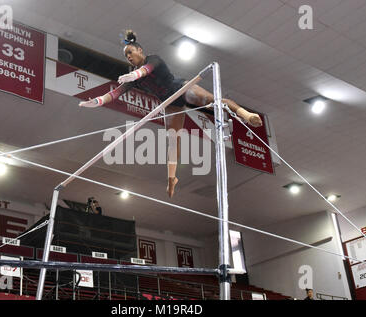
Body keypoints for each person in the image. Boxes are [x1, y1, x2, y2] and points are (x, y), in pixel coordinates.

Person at [79, 30, 263, 198]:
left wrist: (133, 76)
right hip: (170, 105)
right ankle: (171, 179)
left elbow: (147, 70)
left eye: (130, 53)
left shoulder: (153, 60)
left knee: (213, 101)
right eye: (126, 56)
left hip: (182, 89)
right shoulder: (133, 77)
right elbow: (115, 93)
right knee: (173, 141)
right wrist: (96, 102)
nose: (128, 57)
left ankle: (245, 114)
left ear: (140, 50)